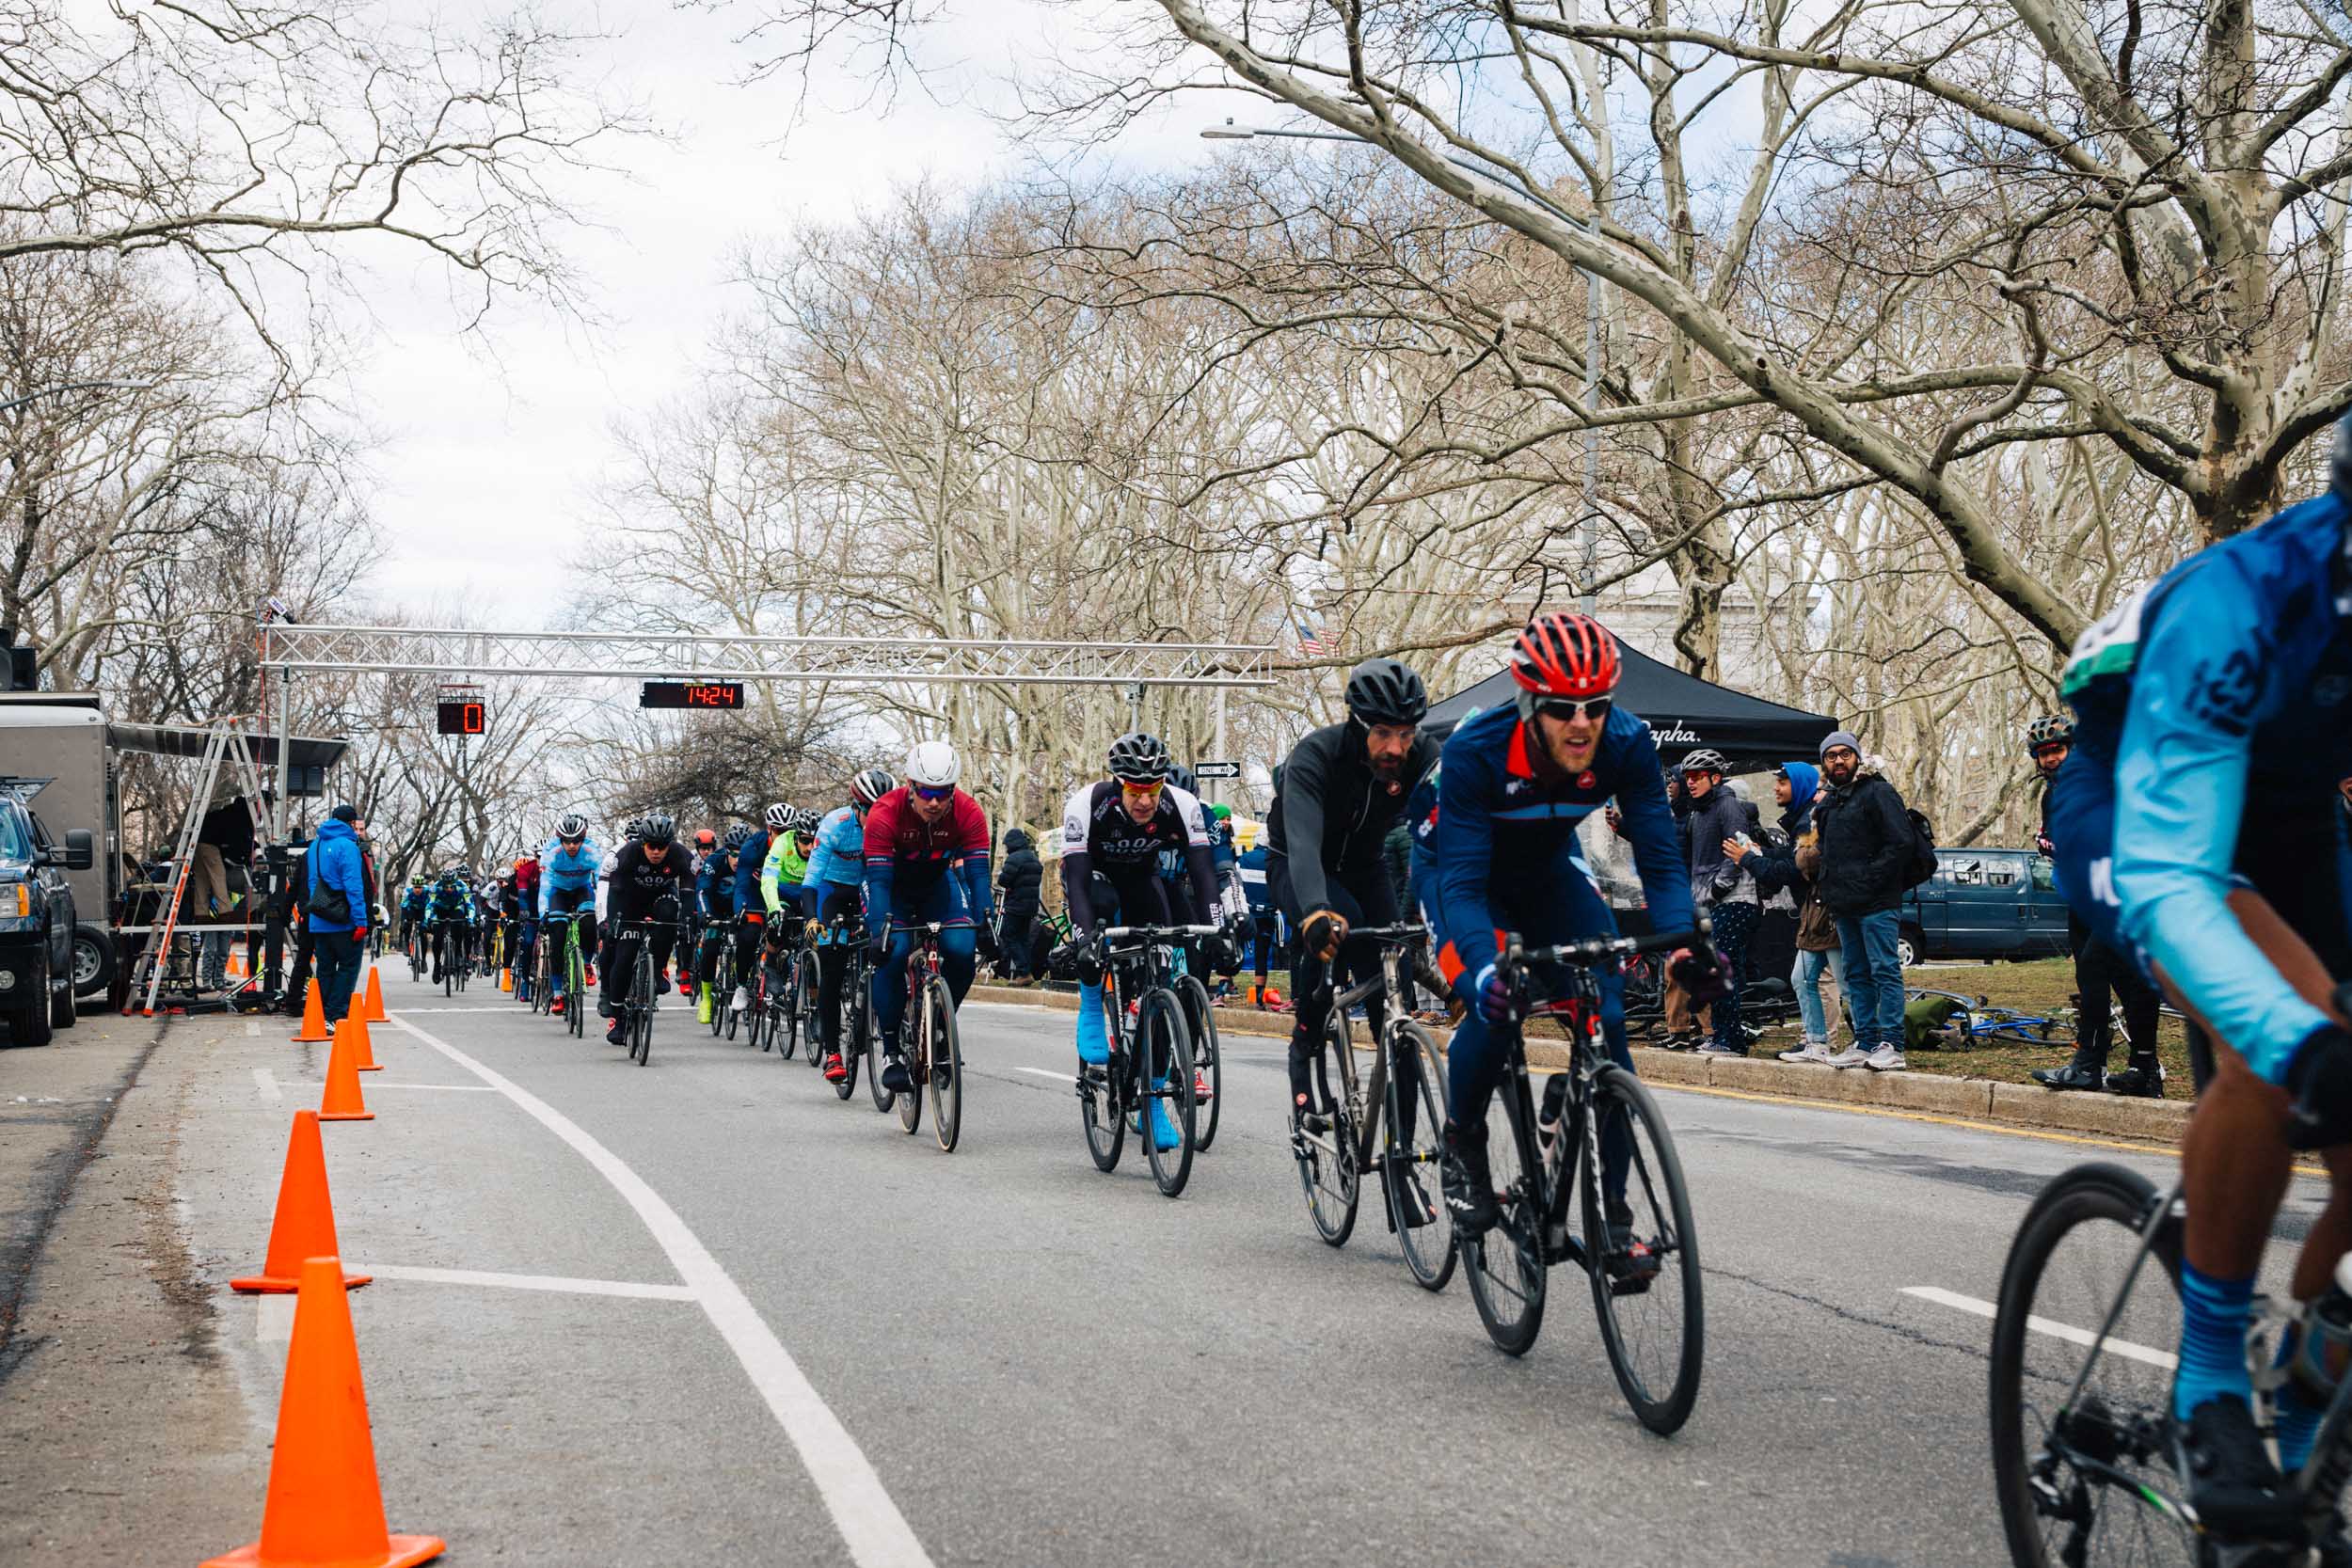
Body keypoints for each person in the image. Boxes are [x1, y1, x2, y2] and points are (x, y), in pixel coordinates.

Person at [2042, 415, 2352, 1542]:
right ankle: (2212, 1373)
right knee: (2287, 1038)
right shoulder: (2242, 599)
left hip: (2288, 812)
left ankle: (2316, 1354)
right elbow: (2177, 877)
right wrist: (2305, 1042)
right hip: (2141, 802)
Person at [1424, 613, 1723, 1235]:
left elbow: (1662, 861)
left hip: (1551, 870)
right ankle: (1462, 1139)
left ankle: (1612, 1213)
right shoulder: (1476, 750)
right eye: (1563, 707)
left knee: (1609, 1022)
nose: (1583, 721)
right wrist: (1481, 973)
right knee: (1497, 1005)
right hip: (1464, 878)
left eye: (1596, 704)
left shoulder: (1627, 739)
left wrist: (1679, 946)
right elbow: (1461, 886)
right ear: (1530, 702)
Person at [1268, 657, 1438, 1142]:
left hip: (1366, 869)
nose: (1396, 747)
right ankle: (1307, 1036)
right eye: (1384, 732)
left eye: (1406, 734)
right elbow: (1301, 845)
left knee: (1397, 988)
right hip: (1300, 866)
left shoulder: (1424, 754)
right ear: (1357, 722)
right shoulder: (1316, 756)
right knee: (1341, 921)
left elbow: (1450, 833)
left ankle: (1400, 1154)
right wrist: (1315, 911)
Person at [1058, 733, 1222, 1148]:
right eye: (1135, 791)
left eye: (1153, 789)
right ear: (1118, 783)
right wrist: (1084, 940)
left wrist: (1217, 928)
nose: (1145, 801)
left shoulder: (1181, 806)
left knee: (1163, 975)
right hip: (1094, 878)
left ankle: (1150, 1100)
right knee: (1096, 922)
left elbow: (1204, 876)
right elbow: (1076, 882)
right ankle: (1093, 1003)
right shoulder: (1087, 804)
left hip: (1140, 881)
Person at [2025, 714, 2168, 1097]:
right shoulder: (2052, 796)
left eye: (2057, 749)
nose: (2051, 759)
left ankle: (2090, 1064)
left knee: (2095, 968)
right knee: (2123, 980)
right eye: (2042, 753)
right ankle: (2144, 1069)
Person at [863, 742, 993, 1094]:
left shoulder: (968, 812)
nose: (934, 802)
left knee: (963, 947)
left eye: (943, 793)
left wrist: (987, 923)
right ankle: (891, 1052)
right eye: (926, 792)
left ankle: (939, 1022)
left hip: (938, 885)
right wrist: (879, 931)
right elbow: (878, 880)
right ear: (910, 785)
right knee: (894, 949)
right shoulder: (884, 812)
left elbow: (980, 875)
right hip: (893, 888)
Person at [1727, 762, 1848, 1064]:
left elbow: (1791, 871)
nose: (1775, 788)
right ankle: (1816, 1041)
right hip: (1814, 911)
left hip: (1826, 912)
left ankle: (1853, 1042)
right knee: (1804, 977)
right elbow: (1790, 858)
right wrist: (1761, 853)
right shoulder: (1801, 820)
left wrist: (1748, 860)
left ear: (1801, 785)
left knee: (1835, 981)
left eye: (1782, 782)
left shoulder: (1811, 820)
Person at [1811, 731, 1914, 1071]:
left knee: (1885, 969)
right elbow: (1826, 851)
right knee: (1855, 974)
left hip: (1878, 902)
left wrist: (1869, 879)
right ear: (1824, 763)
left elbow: (1900, 844)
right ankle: (1865, 1041)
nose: (1838, 761)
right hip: (1844, 905)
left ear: (1857, 757)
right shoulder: (1830, 803)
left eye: (1845, 754)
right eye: (1831, 756)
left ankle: (1893, 1044)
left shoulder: (1879, 792)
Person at [802, 768, 890, 1079]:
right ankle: (832, 1052)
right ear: (857, 807)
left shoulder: (889, 825)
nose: (876, 818)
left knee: (887, 948)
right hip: (832, 890)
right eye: (870, 812)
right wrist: (813, 917)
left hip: (868, 888)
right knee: (833, 967)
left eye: (882, 810)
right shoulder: (834, 825)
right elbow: (811, 880)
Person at [1678, 749, 1761, 1056]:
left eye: (1697, 777)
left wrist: (1717, 888)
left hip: (1735, 899)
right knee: (1716, 970)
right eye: (1687, 777)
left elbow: (1740, 849)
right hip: (1711, 900)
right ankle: (1722, 1034)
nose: (1691, 782)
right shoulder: (1698, 812)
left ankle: (1731, 1040)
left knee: (1722, 969)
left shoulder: (1728, 806)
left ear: (1715, 778)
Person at [598, 814, 692, 1045]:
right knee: (624, 956)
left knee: (670, 916)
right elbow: (614, 892)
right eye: (652, 846)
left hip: (661, 897)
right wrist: (612, 922)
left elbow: (689, 893)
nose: (657, 852)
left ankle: (659, 969)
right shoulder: (627, 854)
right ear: (643, 843)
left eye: (662, 847)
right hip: (628, 900)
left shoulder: (682, 856)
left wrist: (689, 922)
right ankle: (617, 1018)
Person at [306, 803, 370, 1025]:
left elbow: (312, 882)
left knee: (324, 968)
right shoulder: (348, 846)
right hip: (343, 920)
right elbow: (353, 886)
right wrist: (361, 920)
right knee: (348, 967)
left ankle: (320, 1014)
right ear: (352, 823)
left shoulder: (315, 845)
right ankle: (335, 1016)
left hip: (319, 917)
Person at [729, 802, 792, 1016]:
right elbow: (742, 884)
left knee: (788, 931)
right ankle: (741, 986)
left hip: (781, 894)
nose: (782, 835)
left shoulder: (795, 847)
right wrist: (740, 912)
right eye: (778, 831)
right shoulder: (753, 847)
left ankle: (781, 974)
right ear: (769, 829)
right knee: (749, 934)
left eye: (787, 831)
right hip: (755, 895)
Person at [538, 814, 602, 1014]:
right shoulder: (552, 853)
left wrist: (604, 909)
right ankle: (557, 993)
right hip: (558, 892)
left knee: (590, 922)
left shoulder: (592, 852)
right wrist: (544, 913)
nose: (572, 846)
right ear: (560, 839)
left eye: (576, 841)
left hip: (583, 890)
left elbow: (603, 881)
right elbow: (545, 886)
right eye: (567, 841)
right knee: (557, 937)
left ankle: (586, 963)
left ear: (583, 839)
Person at [995, 827, 1043, 983]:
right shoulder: (1033, 858)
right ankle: (1026, 972)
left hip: (1015, 905)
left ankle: (1023, 972)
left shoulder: (1014, 859)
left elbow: (1003, 880)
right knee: (1023, 939)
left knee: (1009, 936)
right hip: (1031, 906)